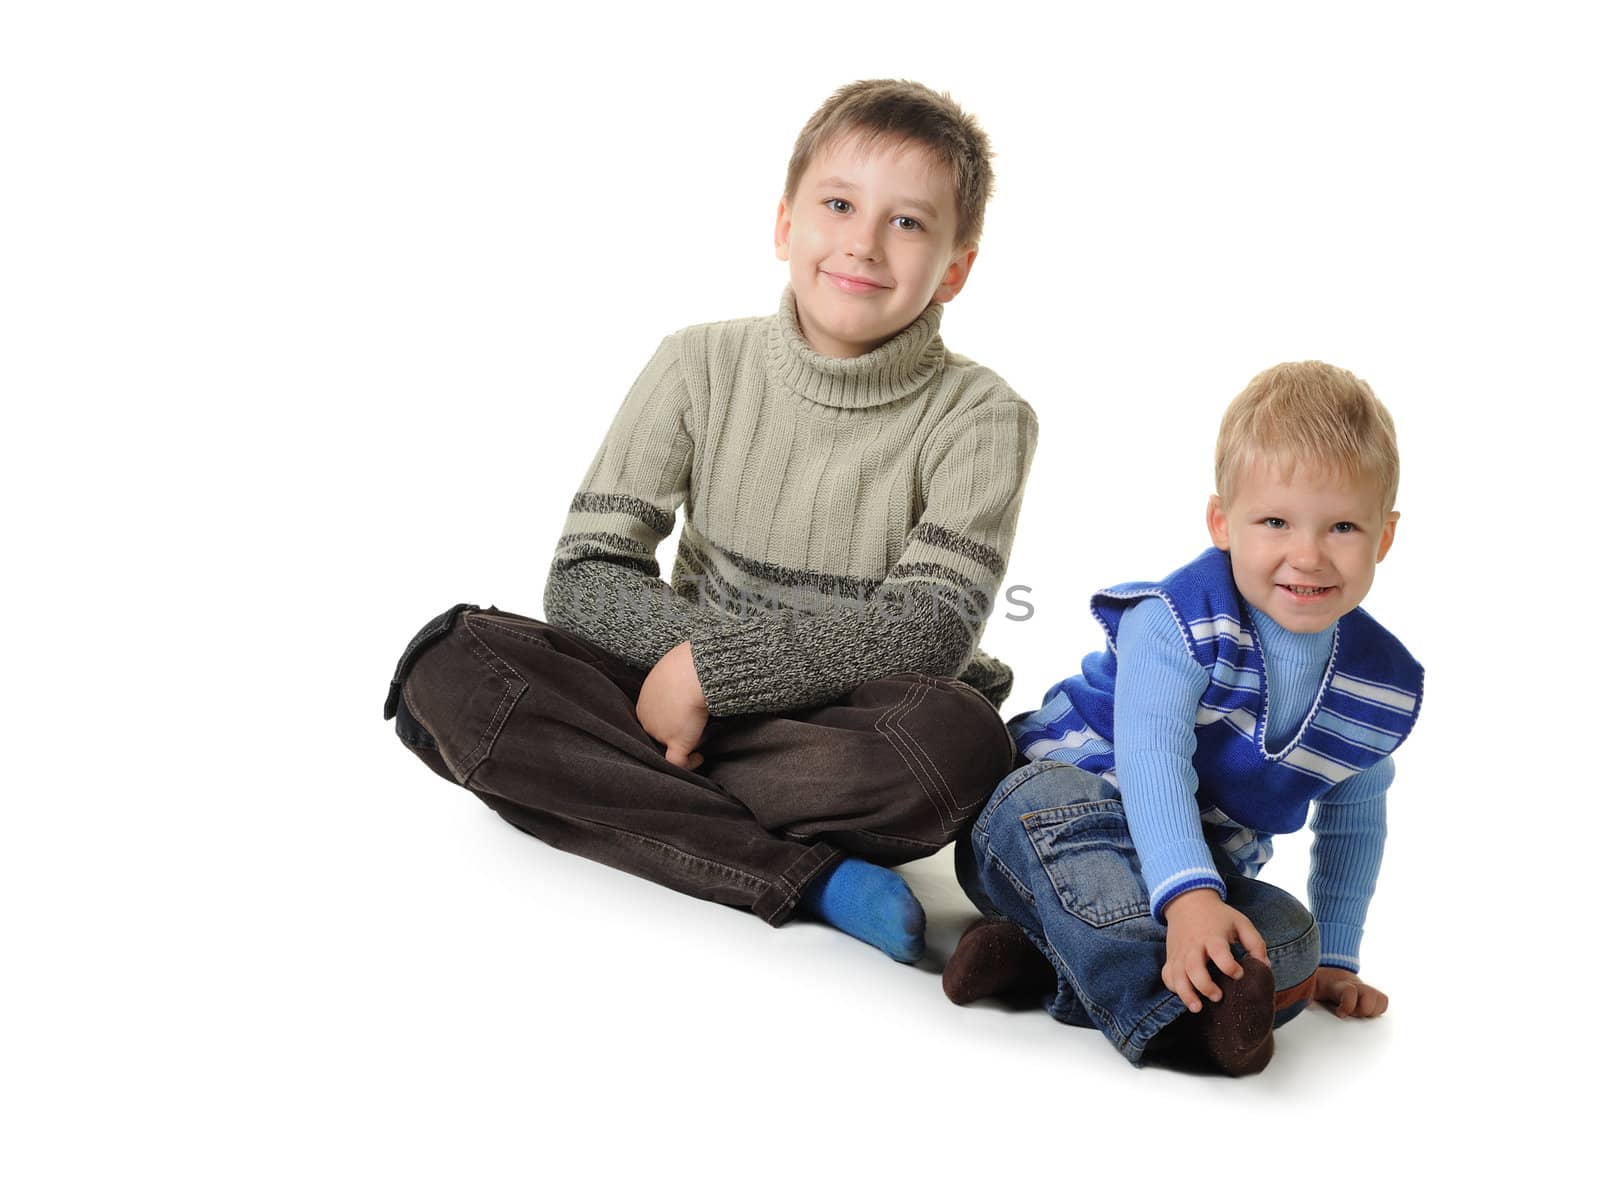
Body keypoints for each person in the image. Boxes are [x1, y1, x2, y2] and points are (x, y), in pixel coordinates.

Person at [383, 80, 1036, 965]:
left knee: (958, 747)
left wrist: (717, 676)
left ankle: (611, 788)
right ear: (784, 225)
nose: (863, 242)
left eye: (908, 223)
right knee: (449, 666)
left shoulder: (983, 417)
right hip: (660, 694)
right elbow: (583, 575)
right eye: (838, 204)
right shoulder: (696, 364)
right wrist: (687, 672)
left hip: (828, 730)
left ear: (954, 267)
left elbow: (925, 631)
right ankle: (803, 873)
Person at [944, 361, 1420, 1074]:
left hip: (1199, 870)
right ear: (1222, 522)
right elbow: (1151, 756)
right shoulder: (1178, 622)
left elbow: (1355, 817)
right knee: (1031, 800)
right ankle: (1175, 1023)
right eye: (1275, 521)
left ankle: (1046, 961)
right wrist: (1190, 898)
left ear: (1384, 536)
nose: (1308, 554)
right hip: (1061, 821)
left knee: (1290, 940)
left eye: (1343, 526)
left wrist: (1338, 958)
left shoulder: (1374, 685)